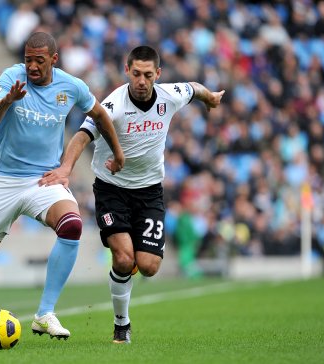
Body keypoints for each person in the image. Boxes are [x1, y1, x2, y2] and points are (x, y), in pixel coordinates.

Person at [0, 32, 124, 349]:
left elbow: (100, 115)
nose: (31, 65)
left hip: (43, 180)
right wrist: (7, 101)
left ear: (53, 60)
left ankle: (45, 313)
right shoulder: (11, 77)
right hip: (4, 181)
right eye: (28, 58)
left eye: (38, 60)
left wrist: (117, 152)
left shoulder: (71, 86)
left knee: (71, 225)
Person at [40, 45, 225, 344]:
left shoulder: (169, 95)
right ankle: (121, 324)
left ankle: (129, 262)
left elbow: (194, 89)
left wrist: (210, 98)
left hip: (150, 192)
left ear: (158, 75)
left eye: (148, 75)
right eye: (136, 74)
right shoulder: (113, 105)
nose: (141, 80)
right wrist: (65, 168)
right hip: (112, 190)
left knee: (149, 267)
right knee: (125, 259)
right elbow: (82, 135)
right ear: (127, 71)